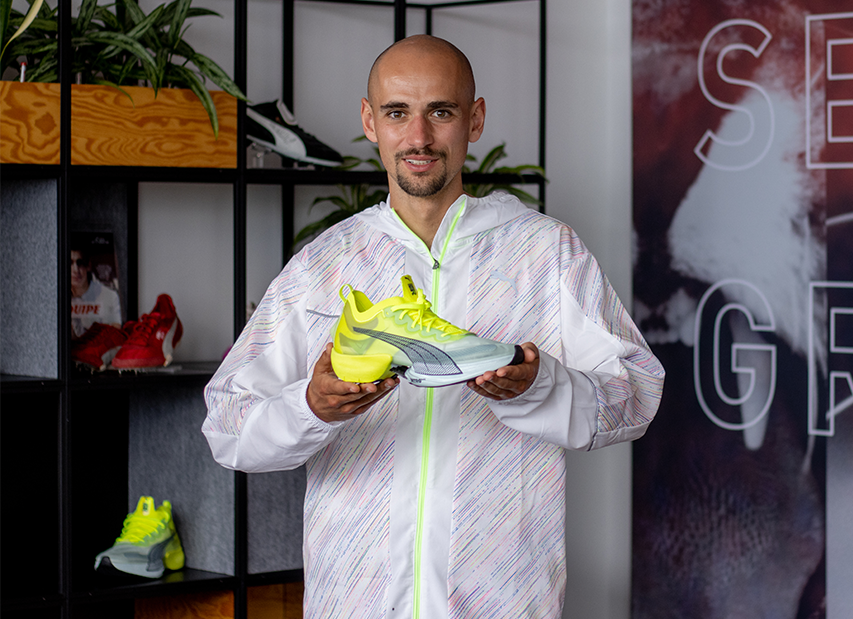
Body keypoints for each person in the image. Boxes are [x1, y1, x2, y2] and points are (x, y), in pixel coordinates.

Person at [202, 34, 664, 619]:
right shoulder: (324, 266)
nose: (418, 137)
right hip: (354, 604)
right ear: (370, 121)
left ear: (475, 120)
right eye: (397, 112)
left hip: (503, 604)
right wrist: (310, 407)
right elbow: (227, 427)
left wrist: (539, 386)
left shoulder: (545, 253)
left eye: (440, 112)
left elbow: (637, 393)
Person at [70, 245, 122, 337]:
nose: (75, 270)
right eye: (70, 263)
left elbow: (116, 331)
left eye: (80, 263)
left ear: (88, 266)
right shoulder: (57, 298)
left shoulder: (109, 296)